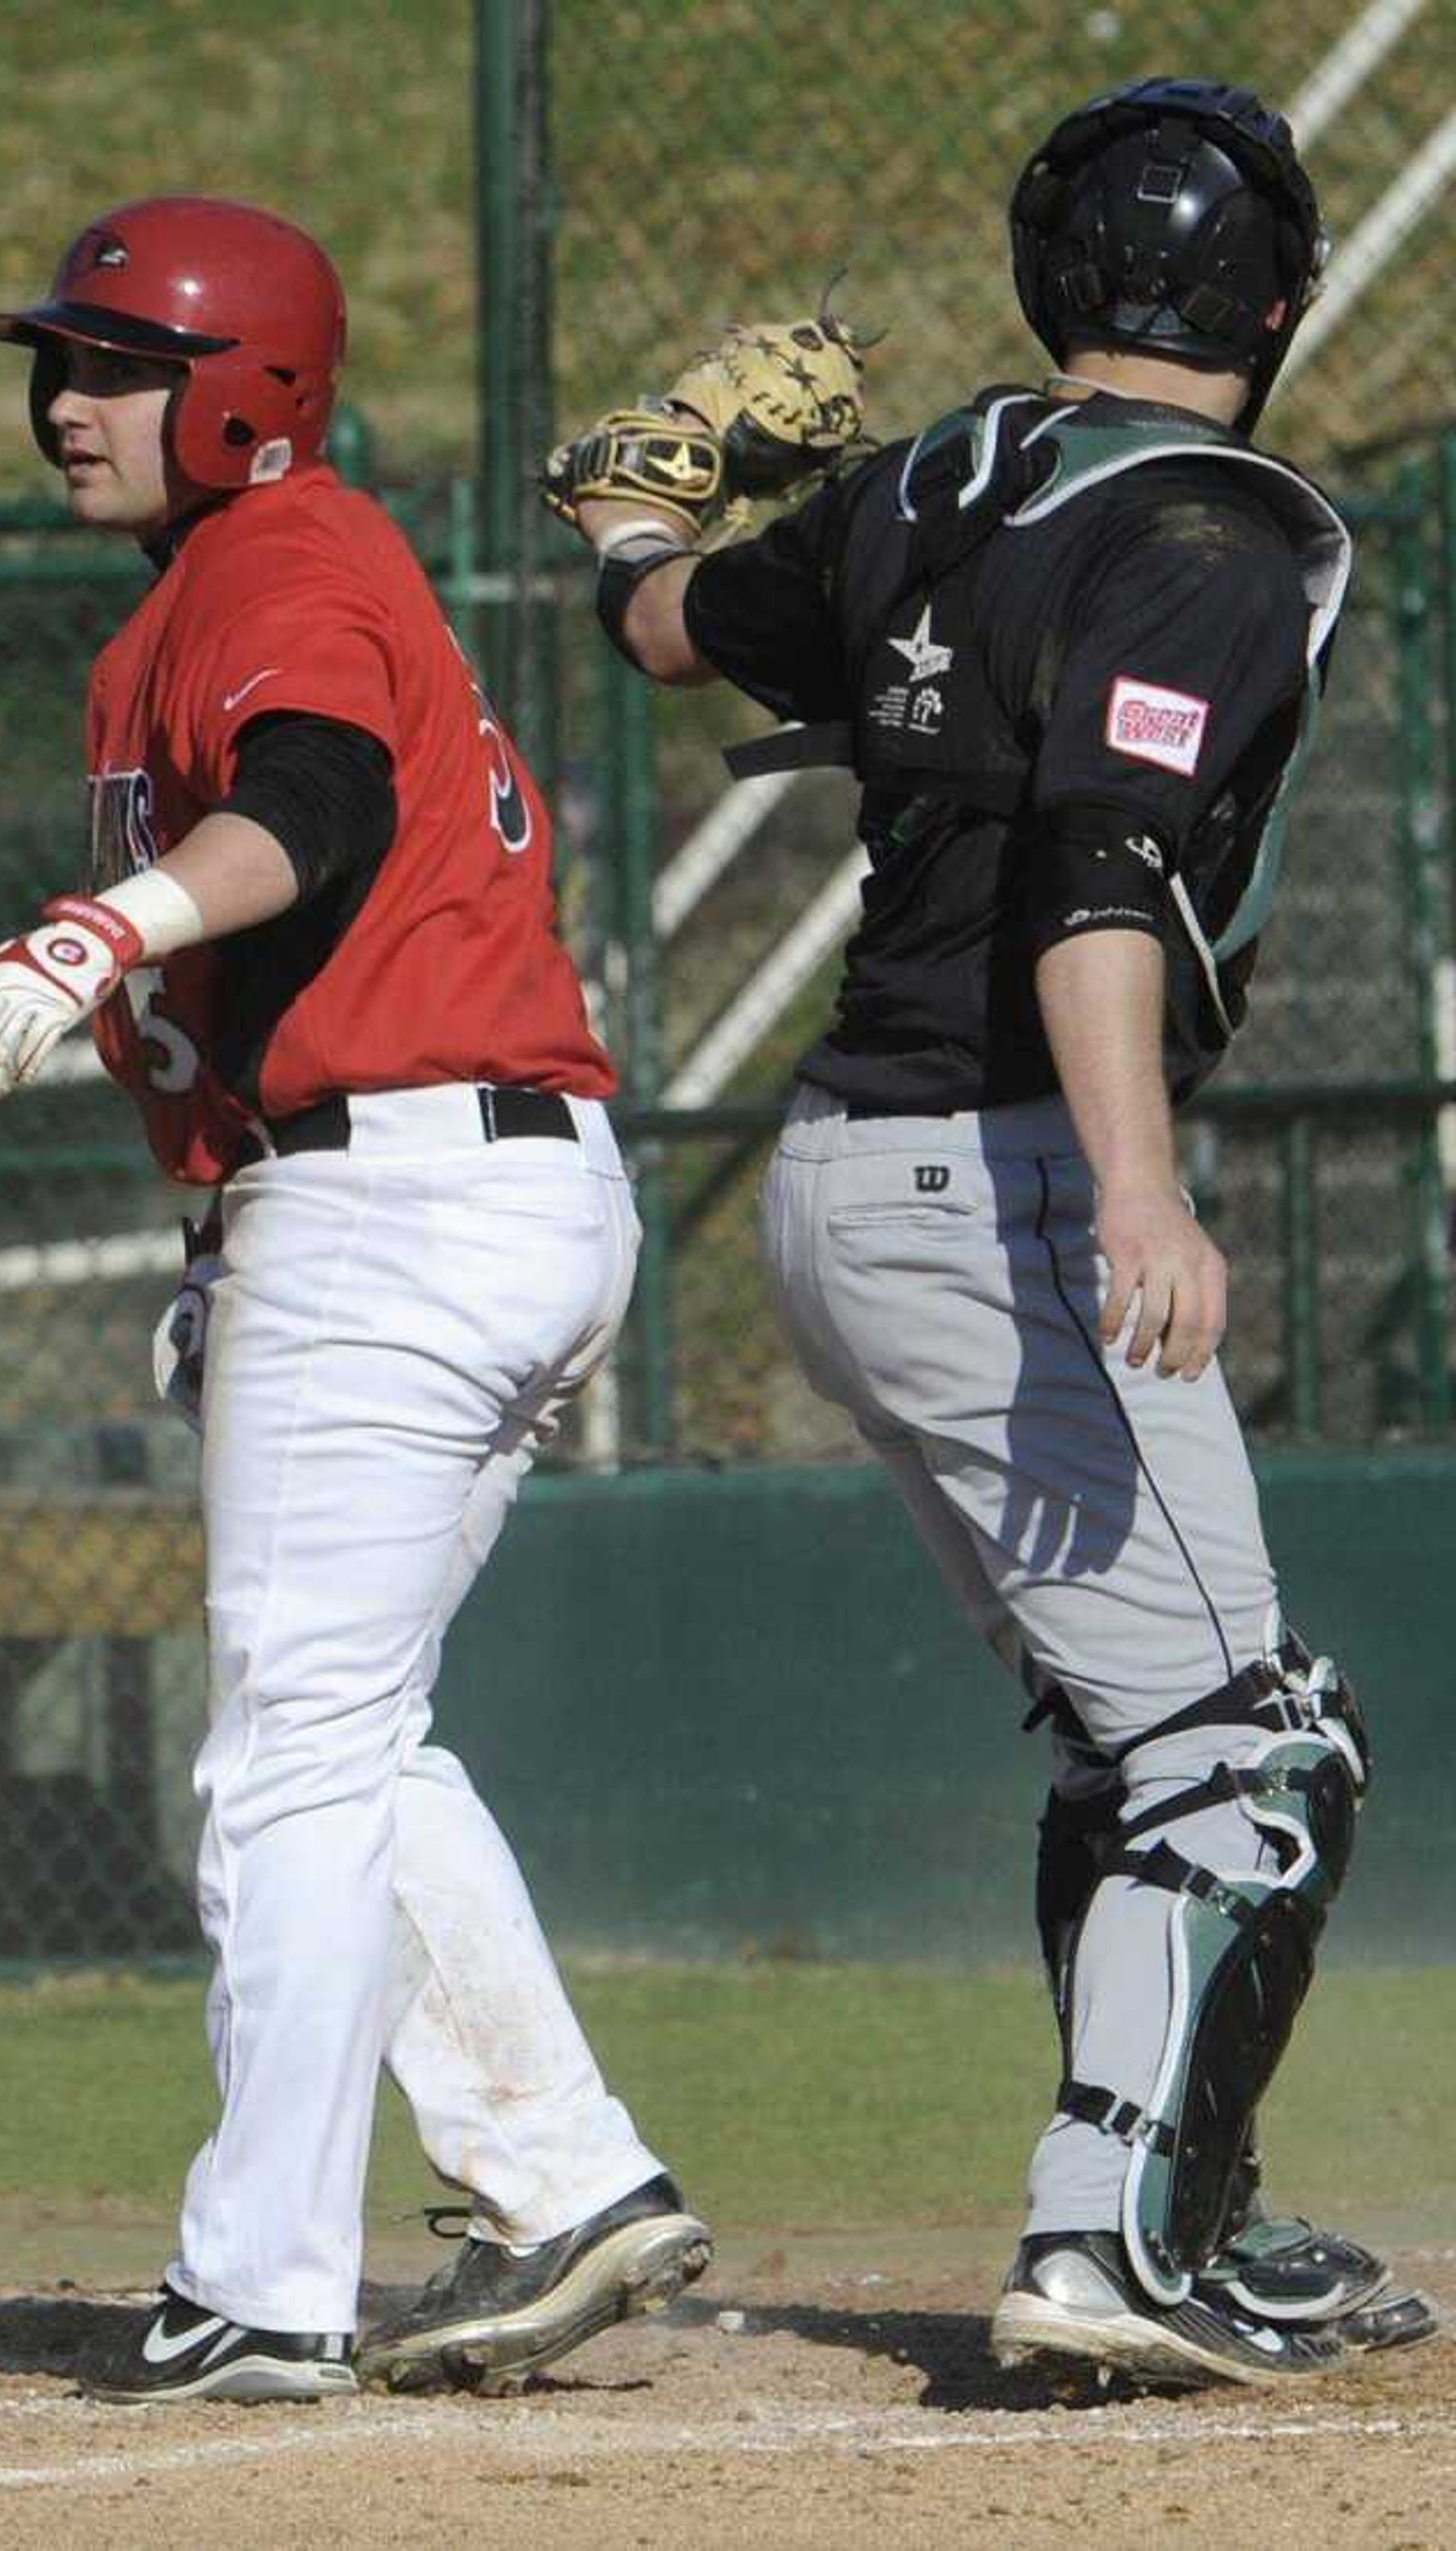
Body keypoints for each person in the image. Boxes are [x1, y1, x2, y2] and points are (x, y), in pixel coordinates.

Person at [553, 78, 1432, 2388]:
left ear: (1056, 279)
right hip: (1011, 1164)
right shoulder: (1219, 534)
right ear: (1277, 292)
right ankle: (1109, 2238)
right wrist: (1139, 1179)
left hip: (853, 1171)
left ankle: (1187, 2210)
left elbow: (656, 625)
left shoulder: (933, 478)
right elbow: (1102, 867)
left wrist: (643, 490)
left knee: (1129, 1748)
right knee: (1256, 1765)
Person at [0, 197, 708, 2407]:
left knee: (284, 1765)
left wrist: (105, 929)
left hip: (404, 1201)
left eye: (115, 364)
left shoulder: (278, 563)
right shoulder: (226, 577)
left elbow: (317, 805)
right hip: (438, 1193)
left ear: (246, 389)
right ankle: (564, 2178)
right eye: (54, 362)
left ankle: (263, 2281)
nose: (65, 401)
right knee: (349, 1743)